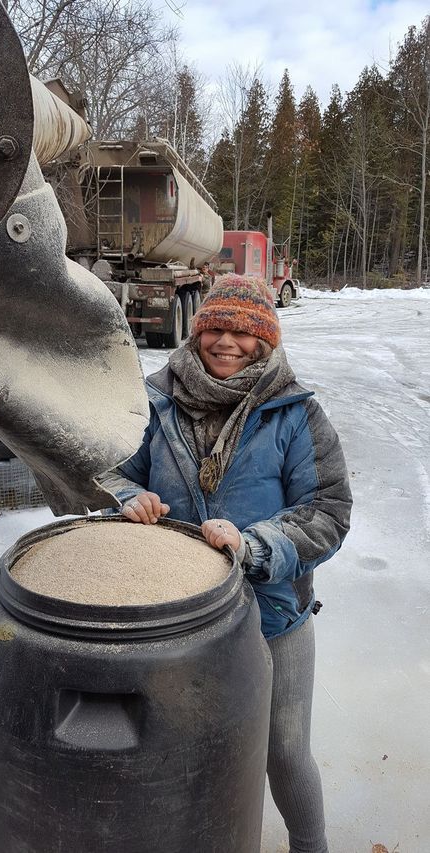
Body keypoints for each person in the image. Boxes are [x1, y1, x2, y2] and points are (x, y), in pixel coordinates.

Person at [104, 274, 352, 853]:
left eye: (243, 332)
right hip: (171, 623)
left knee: (285, 753)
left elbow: (328, 512)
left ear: (265, 341)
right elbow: (111, 468)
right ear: (197, 330)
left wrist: (253, 545)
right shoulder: (154, 400)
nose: (225, 342)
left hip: (273, 619)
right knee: (183, 751)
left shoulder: (296, 413)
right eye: (215, 327)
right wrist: (126, 497)